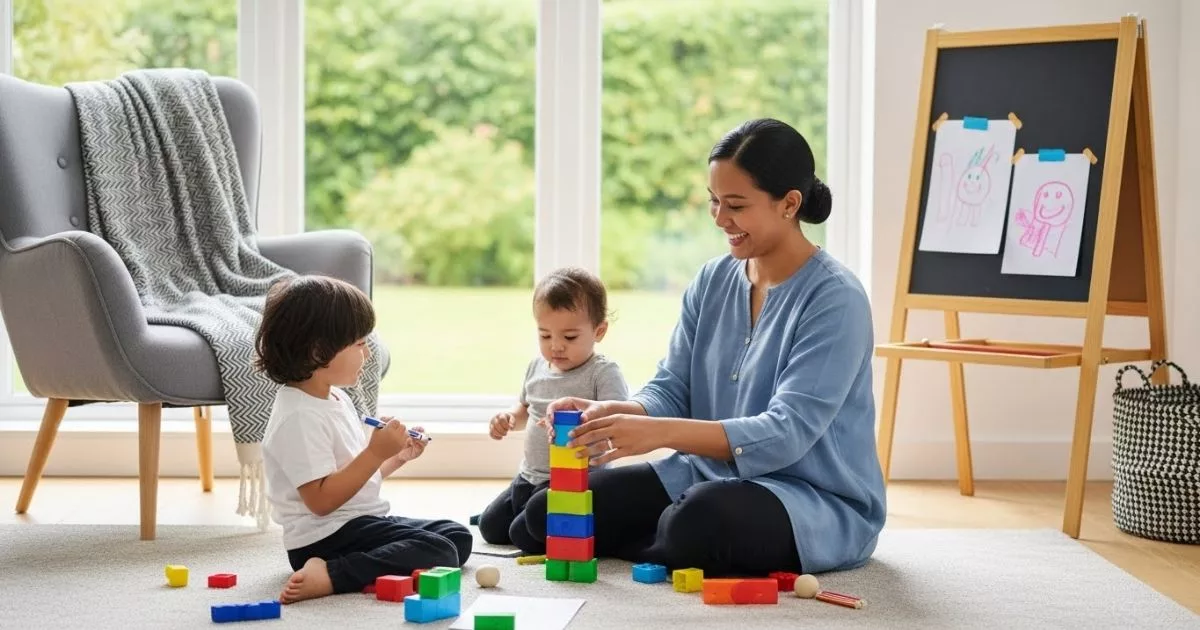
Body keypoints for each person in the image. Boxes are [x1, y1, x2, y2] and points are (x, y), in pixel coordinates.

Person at [519, 118, 886, 577]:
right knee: (545, 513)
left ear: (789, 203)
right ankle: (672, 541)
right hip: (706, 476)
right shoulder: (713, 280)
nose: (719, 218)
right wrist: (620, 412)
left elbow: (788, 432)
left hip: (811, 498)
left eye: (735, 205)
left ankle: (674, 537)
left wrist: (662, 434)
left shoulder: (836, 299)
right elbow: (672, 387)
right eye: (714, 201)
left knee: (699, 521)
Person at [254, 275, 472, 604]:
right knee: (439, 550)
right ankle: (332, 574)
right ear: (318, 351)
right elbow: (321, 501)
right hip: (322, 538)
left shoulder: (335, 399)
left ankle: (350, 567)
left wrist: (395, 456)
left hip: (357, 522)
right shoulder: (298, 416)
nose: (367, 354)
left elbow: (354, 481)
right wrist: (373, 452)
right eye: (358, 344)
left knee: (456, 536)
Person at [475, 267, 630, 551]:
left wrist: (574, 426)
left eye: (569, 337)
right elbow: (525, 410)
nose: (556, 346)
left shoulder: (603, 373)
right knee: (490, 528)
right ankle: (526, 517)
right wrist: (509, 418)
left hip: (574, 483)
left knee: (523, 535)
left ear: (599, 331)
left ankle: (582, 529)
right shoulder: (537, 367)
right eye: (545, 336)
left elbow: (617, 424)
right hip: (529, 476)